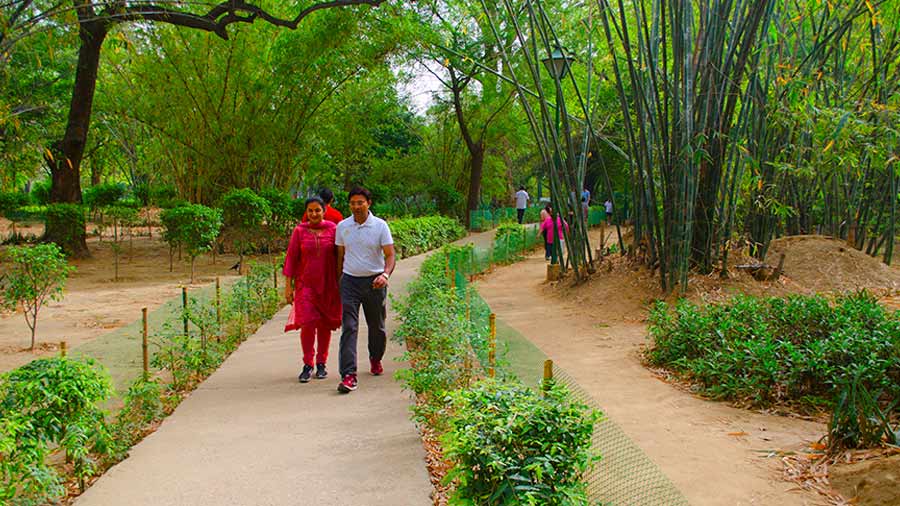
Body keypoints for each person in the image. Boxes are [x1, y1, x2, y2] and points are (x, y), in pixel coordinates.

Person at [335, 186, 396, 393]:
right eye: (352, 203)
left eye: (360, 202)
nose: (356, 206)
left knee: (376, 326)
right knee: (349, 327)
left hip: (374, 282)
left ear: (368, 203)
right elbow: (340, 257)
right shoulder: (343, 227)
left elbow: (390, 255)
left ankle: (375, 358)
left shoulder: (380, 226)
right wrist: (339, 282)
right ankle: (348, 374)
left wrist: (385, 275)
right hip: (350, 282)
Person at [283, 197, 342, 383]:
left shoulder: (333, 229)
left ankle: (322, 363)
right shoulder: (299, 231)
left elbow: (341, 256)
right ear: (306, 213)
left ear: (324, 211)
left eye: (317, 210)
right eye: (310, 211)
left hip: (328, 285)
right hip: (305, 285)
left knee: (324, 325)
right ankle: (307, 364)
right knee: (308, 323)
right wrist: (288, 286)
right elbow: (291, 258)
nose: (314, 214)